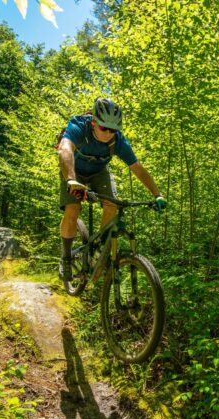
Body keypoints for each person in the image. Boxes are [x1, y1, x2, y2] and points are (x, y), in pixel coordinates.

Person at [57, 98, 167, 281]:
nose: (108, 133)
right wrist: (70, 180)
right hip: (72, 170)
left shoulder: (118, 142)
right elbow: (65, 149)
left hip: (99, 172)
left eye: (113, 129)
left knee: (112, 206)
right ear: (94, 122)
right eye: (104, 128)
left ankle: (98, 249)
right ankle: (66, 257)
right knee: (73, 209)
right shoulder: (80, 127)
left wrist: (157, 194)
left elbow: (137, 167)